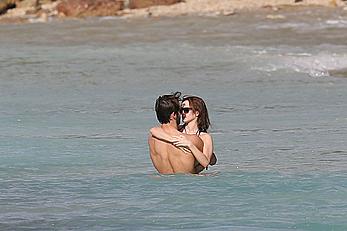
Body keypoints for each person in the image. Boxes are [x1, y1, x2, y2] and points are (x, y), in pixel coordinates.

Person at [150, 95, 216, 173]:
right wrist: (172, 140)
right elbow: (153, 130)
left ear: (197, 113)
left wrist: (190, 145)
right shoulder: (178, 131)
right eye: (181, 110)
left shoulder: (204, 137)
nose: (182, 113)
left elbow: (207, 162)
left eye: (186, 110)